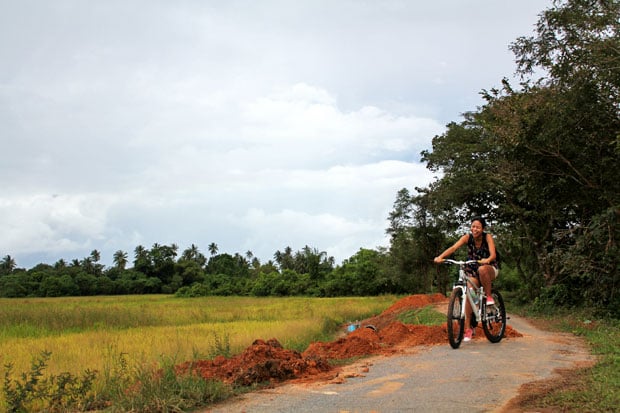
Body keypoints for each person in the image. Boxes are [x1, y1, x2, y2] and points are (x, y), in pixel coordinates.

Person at [433, 216, 499, 342]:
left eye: (478, 227)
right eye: (473, 226)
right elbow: (453, 248)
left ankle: (489, 297)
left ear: (483, 228)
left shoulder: (487, 237)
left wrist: (488, 260)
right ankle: (468, 328)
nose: (475, 229)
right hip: (473, 269)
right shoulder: (467, 238)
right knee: (469, 292)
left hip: (489, 268)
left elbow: (493, 254)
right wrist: (440, 257)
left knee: (482, 269)